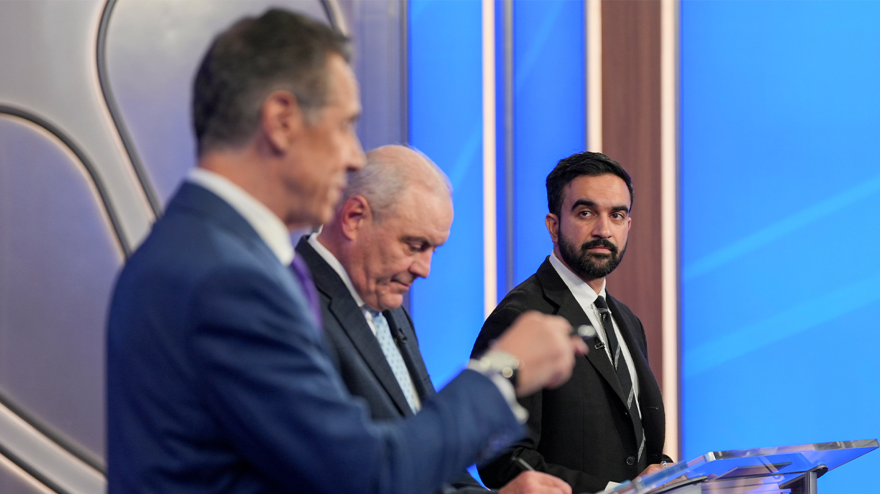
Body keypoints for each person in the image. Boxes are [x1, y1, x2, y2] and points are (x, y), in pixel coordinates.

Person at [106, 9, 585, 494]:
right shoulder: (228, 277)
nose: (355, 156)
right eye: (345, 125)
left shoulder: (205, 250)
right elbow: (364, 474)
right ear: (282, 121)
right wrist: (501, 372)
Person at [296, 144, 574, 494]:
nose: (424, 270)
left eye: (433, 250)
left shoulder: (390, 307)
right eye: (414, 245)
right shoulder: (291, 308)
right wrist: (502, 370)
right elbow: (361, 475)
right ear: (354, 218)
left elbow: (434, 466)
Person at [472, 152, 672, 493]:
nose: (603, 229)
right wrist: (614, 491)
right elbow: (502, 459)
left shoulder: (628, 321)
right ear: (553, 225)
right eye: (585, 213)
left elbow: (637, 448)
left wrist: (665, 475)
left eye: (616, 215)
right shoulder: (520, 317)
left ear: (628, 225)